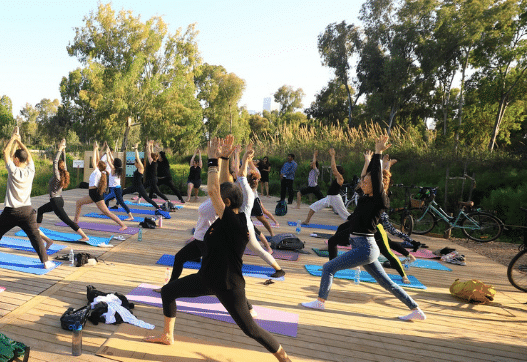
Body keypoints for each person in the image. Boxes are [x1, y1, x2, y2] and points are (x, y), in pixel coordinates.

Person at [144, 136, 292, 362]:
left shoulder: (236, 223)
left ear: (228, 203)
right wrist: (223, 159)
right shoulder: (228, 214)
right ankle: (167, 335)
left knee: (251, 330)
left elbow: (214, 191)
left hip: (228, 286)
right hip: (206, 278)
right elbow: (221, 187)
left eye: (221, 199)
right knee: (168, 292)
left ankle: (284, 358)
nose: (215, 200)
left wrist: (212, 159)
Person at [301, 135, 426, 322]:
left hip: (365, 248)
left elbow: (375, 178)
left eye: (367, 183)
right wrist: (367, 162)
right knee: (386, 283)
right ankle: (416, 309)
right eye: (364, 182)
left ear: (376, 186)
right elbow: (365, 177)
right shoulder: (366, 197)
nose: (363, 184)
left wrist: (377, 153)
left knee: (328, 267)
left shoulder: (379, 200)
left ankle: (320, 301)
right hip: (362, 246)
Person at [0, 126, 54, 269]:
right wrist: (20, 142)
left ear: (17, 160)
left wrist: (13, 137)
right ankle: (46, 261)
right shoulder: (31, 170)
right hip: (27, 211)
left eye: (15, 158)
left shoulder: (13, 171)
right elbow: (29, 156)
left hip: (11, 212)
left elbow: (4, 152)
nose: (13, 159)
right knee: (35, 237)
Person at [35, 139, 92, 242]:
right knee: (40, 210)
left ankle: (84, 236)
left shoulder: (57, 176)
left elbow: (55, 161)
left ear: (57, 168)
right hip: (57, 200)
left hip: (56, 202)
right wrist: (64, 150)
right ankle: (36, 229)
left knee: (67, 221)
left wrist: (60, 149)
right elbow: (63, 163)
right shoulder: (63, 173)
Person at [74, 141, 129, 231]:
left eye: (97, 164)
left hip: (96, 195)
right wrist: (97, 149)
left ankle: (123, 225)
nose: (96, 163)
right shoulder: (101, 172)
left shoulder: (98, 172)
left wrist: (95, 148)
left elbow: (93, 160)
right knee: (78, 203)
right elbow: (96, 160)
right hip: (93, 194)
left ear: (98, 166)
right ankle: (75, 221)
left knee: (107, 212)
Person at [302, 148, 349, 225]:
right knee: (313, 207)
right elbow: (333, 168)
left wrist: (332, 156)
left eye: (335, 171)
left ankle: (354, 225)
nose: (333, 172)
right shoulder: (337, 178)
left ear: (339, 172)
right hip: (329, 197)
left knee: (345, 214)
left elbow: (333, 167)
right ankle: (307, 221)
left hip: (336, 198)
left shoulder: (340, 179)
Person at [122, 142, 163, 211]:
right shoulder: (138, 168)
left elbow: (137, 157)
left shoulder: (141, 167)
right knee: (122, 192)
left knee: (147, 199)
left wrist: (135, 148)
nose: (134, 163)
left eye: (135, 162)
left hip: (139, 187)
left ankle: (158, 207)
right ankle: (117, 205)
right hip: (134, 187)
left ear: (138, 163)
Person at [102, 144, 135, 221]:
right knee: (106, 199)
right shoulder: (117, 169)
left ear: (114, 164)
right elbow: (112, 160)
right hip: (114, 190)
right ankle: (106, 212)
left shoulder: (113, 169)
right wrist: (109, 152)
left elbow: (109, 161)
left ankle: (130, 216)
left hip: (116, 190)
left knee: (122, 203)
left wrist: (107, 152)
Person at [145, 140, 171, 204]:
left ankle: (167, 200)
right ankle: (142, 199)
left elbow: (149, 153)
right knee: (142, 188)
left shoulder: (152, 162)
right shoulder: (155, 162)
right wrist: (151, 146)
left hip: (152, 180)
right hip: (153, 179)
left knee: (157, 192)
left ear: (152, 157)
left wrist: (148, 145)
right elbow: (152, 153)